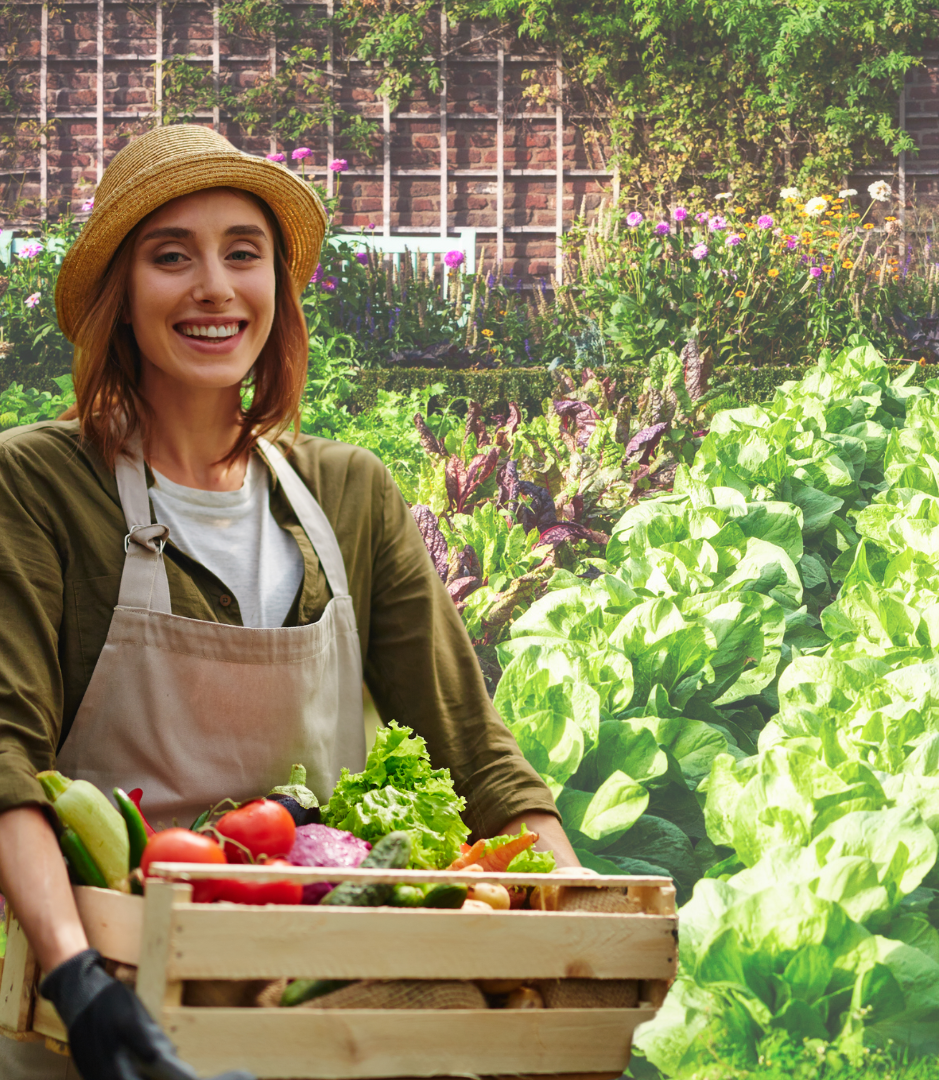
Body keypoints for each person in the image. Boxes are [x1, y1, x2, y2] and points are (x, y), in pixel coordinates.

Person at [0, 124, 576, 1080]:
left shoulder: (349, 493)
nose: (215, 287)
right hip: (111, 1012)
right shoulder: (40, 483)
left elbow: (472, 751)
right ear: (121, 295)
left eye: (244, 253)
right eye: (170, 255)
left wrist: (589, 924)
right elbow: (6, 756)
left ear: (278, 288)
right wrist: (75, 976)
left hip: (332, 1010)